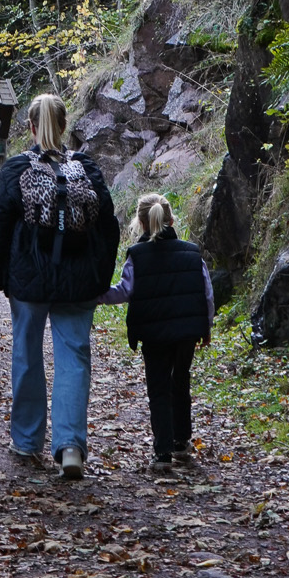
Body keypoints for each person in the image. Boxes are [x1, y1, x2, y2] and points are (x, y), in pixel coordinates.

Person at [0, 92, 119, 481]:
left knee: (27, 354)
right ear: (64, 124)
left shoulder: (16, 168)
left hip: (29, 280)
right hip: (78, 283)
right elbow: (109, 227)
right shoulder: (86, 168)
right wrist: (100, 278)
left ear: (31, 126)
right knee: (74, 358)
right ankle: (70, 446)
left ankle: (26, 441)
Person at [104, 191, 216, 471]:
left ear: (141, 223)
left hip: (153, 334)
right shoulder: (192, 253)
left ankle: (163, 452)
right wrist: (206, 326)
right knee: (181, 381)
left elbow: (124, 291)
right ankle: (181, 441)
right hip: (187, 333)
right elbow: (206, 293)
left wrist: (95, 294)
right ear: (171, 220)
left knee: (159, 388)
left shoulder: (137, 255)